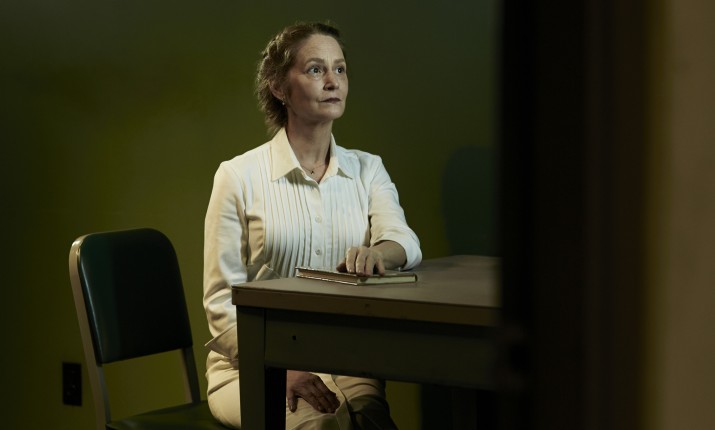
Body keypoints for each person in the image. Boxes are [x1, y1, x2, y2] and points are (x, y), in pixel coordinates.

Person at [202, 21, 422, 430]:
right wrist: (279, 370)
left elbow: (403, 241)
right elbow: (220, 302)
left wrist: (378, 253)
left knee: (372, 422)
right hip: (250, 366)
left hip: (346, 359)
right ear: (279, 88)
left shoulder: (367, 169)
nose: (332, 81)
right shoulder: (237, 176)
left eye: (340, 69)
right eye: (316, 69)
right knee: (322, 428)